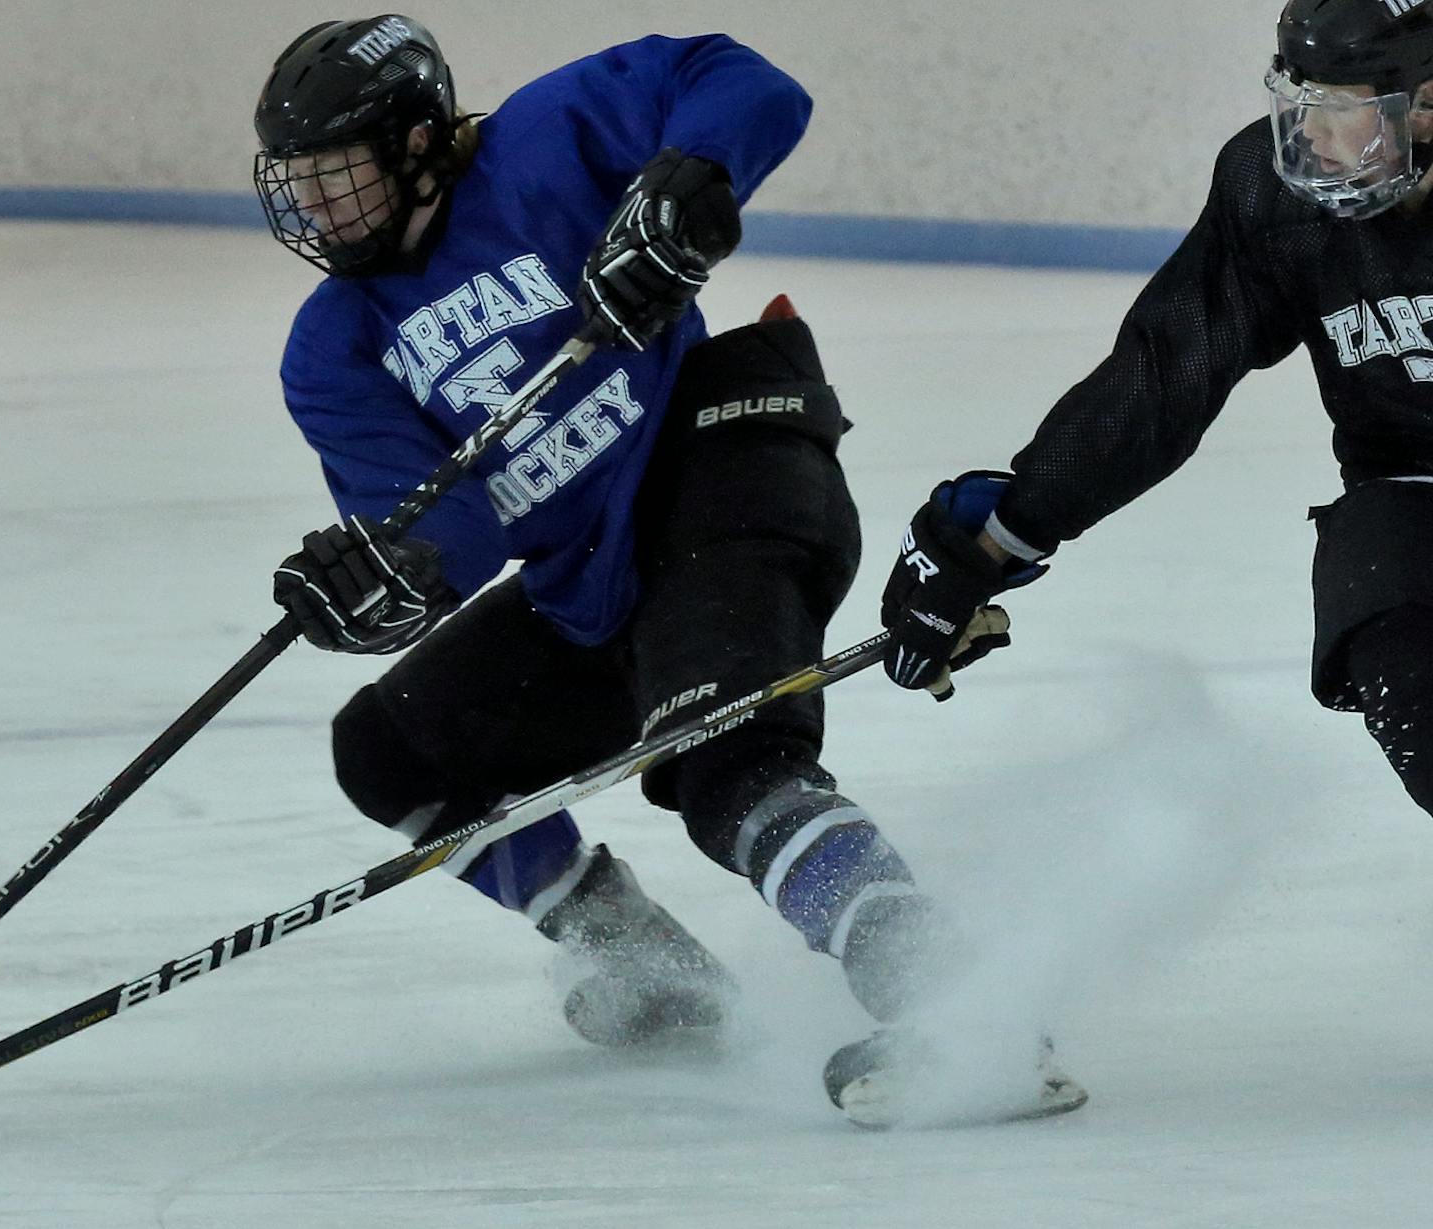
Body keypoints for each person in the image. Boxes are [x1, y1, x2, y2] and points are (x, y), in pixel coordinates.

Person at [254, 15, 1083, 1125]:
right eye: (295, 183)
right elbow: (452, 537)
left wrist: (686, 182)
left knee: (722, 751)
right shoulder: (333, 346)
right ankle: (644, 963)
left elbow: (743, 81)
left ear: (414, 142)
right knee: (388, 747)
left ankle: (957, 1000)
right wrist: (384, 577)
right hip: (593, 587)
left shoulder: (542, 142)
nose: (312, 207)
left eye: (334, 176)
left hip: (727, 466)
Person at [878, 0, 1433, 826]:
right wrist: (992, 544)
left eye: (1336, 106)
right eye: (1296, 99)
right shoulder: (1271, 194)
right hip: (1406, 491)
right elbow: (1165, 375)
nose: (1306, 134)